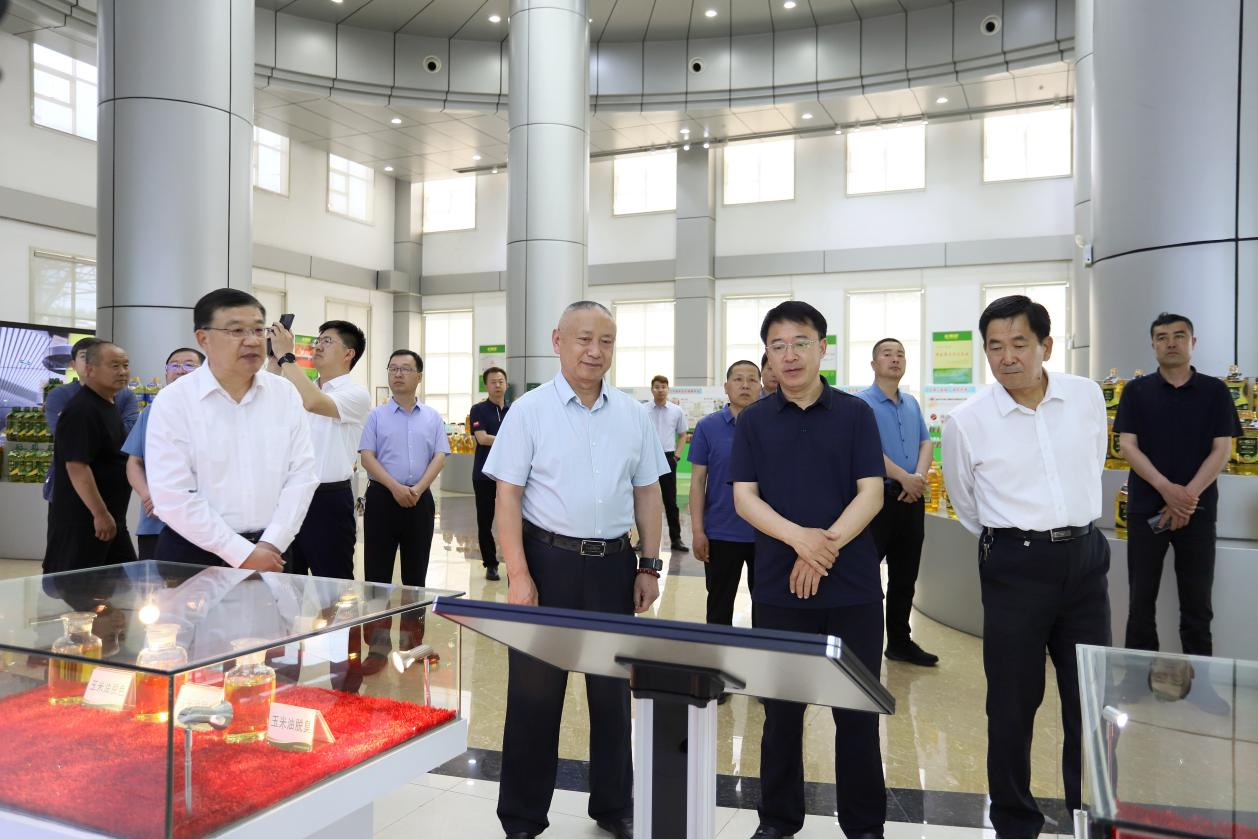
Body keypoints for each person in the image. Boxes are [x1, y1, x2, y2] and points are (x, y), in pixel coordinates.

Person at [484, 301, 667, 839]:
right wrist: (519, 574)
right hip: (548, 563)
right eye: (584, 339)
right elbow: (507, 498)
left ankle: (614, 806)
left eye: (605, 341)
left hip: (614, 565)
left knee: (612, 693)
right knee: (534, 696)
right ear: (557, 340)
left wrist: (649, 564)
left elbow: (648, 493)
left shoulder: (632, 414)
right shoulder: (530, 411)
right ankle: (522, 816)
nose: (595, 351)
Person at [941, 295, 1110, 839]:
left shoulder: (1085, 396)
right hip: (1015, 566)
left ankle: (1089, 813)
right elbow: (967, 504)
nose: (1007, 357)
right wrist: (1018, 540)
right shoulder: (968, 421)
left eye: (1019, 343)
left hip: (1086, 561)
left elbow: (1093, 462)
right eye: (995, 347)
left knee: (1090, 699)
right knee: (1012, 704)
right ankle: (1015, 822)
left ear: (1046, 346)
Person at [729, 301, 887, 839]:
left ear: (822, 347)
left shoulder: (855, 414)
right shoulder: (753, 421)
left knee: (857, 713)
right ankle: (777, 821)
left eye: (800, 343)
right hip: (779, 588)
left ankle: (864, 827)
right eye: (778, 346)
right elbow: (745, 498)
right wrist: (800, 541)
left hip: (854, 589)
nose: (790, 355)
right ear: (767, 356)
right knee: (781, 712)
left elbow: (872, 493)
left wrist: (823, 550)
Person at [146, 288, 318, 571]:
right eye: (236, 331)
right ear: (203, 338)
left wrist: (272, 543)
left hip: (272, 552)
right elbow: (172, 493)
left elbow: (303, 473)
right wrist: (241, 553)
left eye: (258, 330)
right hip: (194, 554)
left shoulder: (284, 393)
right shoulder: (174, 400)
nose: (252, 340)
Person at [1115, 313, 1238, 657]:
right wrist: (1166, 489)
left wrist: (1186, 498)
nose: (1170, 343)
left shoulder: (1215, 391)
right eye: (1162, 337)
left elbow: (1222, 449)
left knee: (1198, 607)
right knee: (1140, 604)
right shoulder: (1136, 391)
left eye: (1179, 336)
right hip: (1145, 510)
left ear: (1192, 343)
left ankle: (1200, 681)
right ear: (1153, 345)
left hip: (1197, 512)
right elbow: (1127, 446)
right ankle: (1137, 679)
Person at [857, 338, 938, 667]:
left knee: (905, 575)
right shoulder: (861, 404)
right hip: (877, 499)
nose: (895, 359)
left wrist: (917, 478)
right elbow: (864, 450)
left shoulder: (912, 404)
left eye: (900, 354)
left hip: (911, 499)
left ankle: (900, 642)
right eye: (887, 354)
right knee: (866, 574)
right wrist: (904, 477)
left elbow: (926, 443)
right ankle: (861, 642)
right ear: (873, 364)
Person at [269, 320, 372, 580]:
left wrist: (287, 357)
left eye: (327, 341)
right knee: (286, 580)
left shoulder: (356, 393)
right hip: (290, 496)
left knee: (334, 586)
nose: (318, 346)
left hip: (328, 500)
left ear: (349, 354)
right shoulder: (302, 388)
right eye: (318, 341)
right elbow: (268, 403)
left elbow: (314, 403)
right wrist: (274, 359)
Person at [43, 341, 139, 574]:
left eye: (125, 365)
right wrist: (100, 513)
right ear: (90, 369)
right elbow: (77, 467)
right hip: (85, 520)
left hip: (112, 517)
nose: (122, 372)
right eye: (114, 366)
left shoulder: (108, 403)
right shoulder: (81, 410)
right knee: (77, 585)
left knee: (119, 582)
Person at [688, 359, 760, 626]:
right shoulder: (708, 427)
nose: (745, 385)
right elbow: (698, 482)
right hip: (721, 533)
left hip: (766, 533)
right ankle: (716, 652)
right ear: (726, 387)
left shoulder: (772, 424)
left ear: (760, 386)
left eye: (752, 379)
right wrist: (698, 531)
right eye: (738, 379)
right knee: (719, 605)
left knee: (767, 606)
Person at [123, 347, 204, 559]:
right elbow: (134, 462)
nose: (180, 370)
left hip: (205, 525)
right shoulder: (152, 411)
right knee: (155, 580)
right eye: (174, 365)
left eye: (189, 365)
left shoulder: (215, 410)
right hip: (156, 523)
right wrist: (147, 495)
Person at [43, 336, 140, 502]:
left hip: (113, 483)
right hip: (69, 485)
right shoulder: (59, 395)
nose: (90, 361)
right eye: (84, 356)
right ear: (73, 364)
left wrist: (91, 429)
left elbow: (128, 436)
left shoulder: (126, 396)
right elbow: (67, 438)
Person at [470, 366, 510, 581]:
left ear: (506, 384)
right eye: (493, 382)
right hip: (484, 474)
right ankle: (491, 564)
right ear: (486, 385)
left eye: (501, 381)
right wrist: (510, 440)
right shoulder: (478, 409)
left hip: (510, 475)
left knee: (513, 520)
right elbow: (482, 438)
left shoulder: (514, 410)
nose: (497, 385)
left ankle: (515, 564)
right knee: (485, 521)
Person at [647, 374, 689, 552]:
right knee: (646, 500)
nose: (660, 390)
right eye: (657, 387)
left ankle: (676, 539)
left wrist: (677, 456)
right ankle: (643, 540)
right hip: (648, 458)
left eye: (663, 387)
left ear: (668, 389)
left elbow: (683, 435)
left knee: (670, 500)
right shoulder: (643, 410)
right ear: (652, 389)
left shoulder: (676, 411)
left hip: (668, 457)